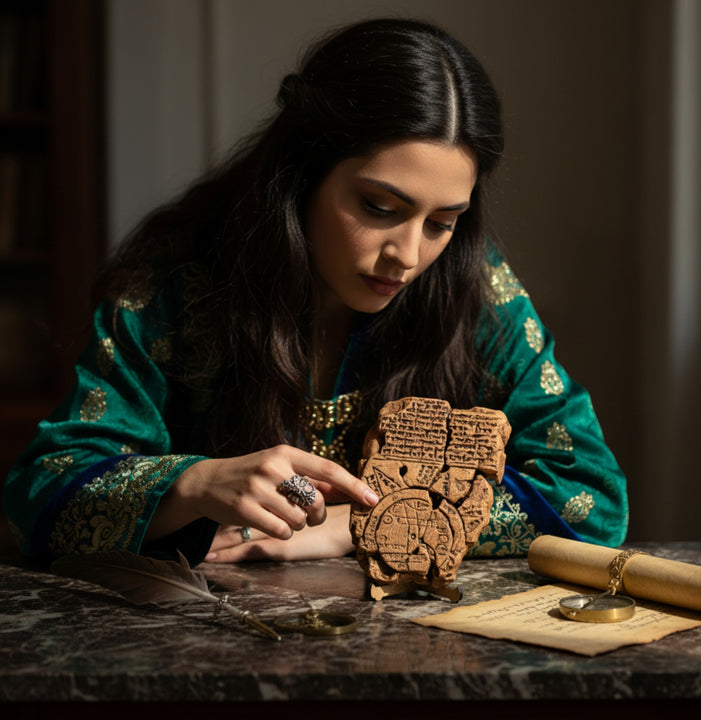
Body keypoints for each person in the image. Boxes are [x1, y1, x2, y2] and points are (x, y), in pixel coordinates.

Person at [3, 18, 628, 567]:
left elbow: (591, 500)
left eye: (442, 222)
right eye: (380, 206)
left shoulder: (472, 288)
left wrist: (361, 526)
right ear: (302, 173)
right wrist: (191, 483)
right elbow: (41, 491)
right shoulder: (176, 287)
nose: (408, 257)